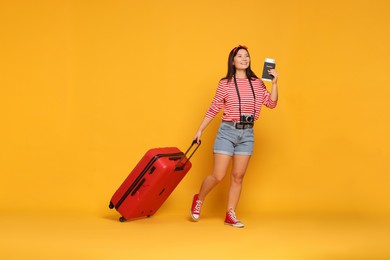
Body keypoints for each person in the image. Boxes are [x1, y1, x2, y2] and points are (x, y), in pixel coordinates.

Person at [190, 45, 279, 228]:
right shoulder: (225, 83)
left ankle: (230, 213)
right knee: (218, 175)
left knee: (238, 176)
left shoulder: (257, 83)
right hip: (227, 131)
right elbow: (214, 107)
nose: (244, 59)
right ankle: (199, 198)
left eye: (247, 56)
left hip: (247, 133)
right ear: (233, 61)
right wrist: (200, 130)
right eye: (240, 56)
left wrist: (275, 83)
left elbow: (271, 103)